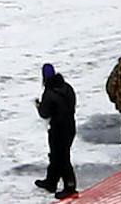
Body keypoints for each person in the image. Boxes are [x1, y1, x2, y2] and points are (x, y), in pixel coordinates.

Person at [33, 64, 79, 199]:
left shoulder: (49, 93)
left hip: (59, 130)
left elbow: (44, 113)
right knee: (56, 155)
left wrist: (39, 106)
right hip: (70, 126)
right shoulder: (67, 87)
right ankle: (51, 182)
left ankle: (70, 187)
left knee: (62, 158)